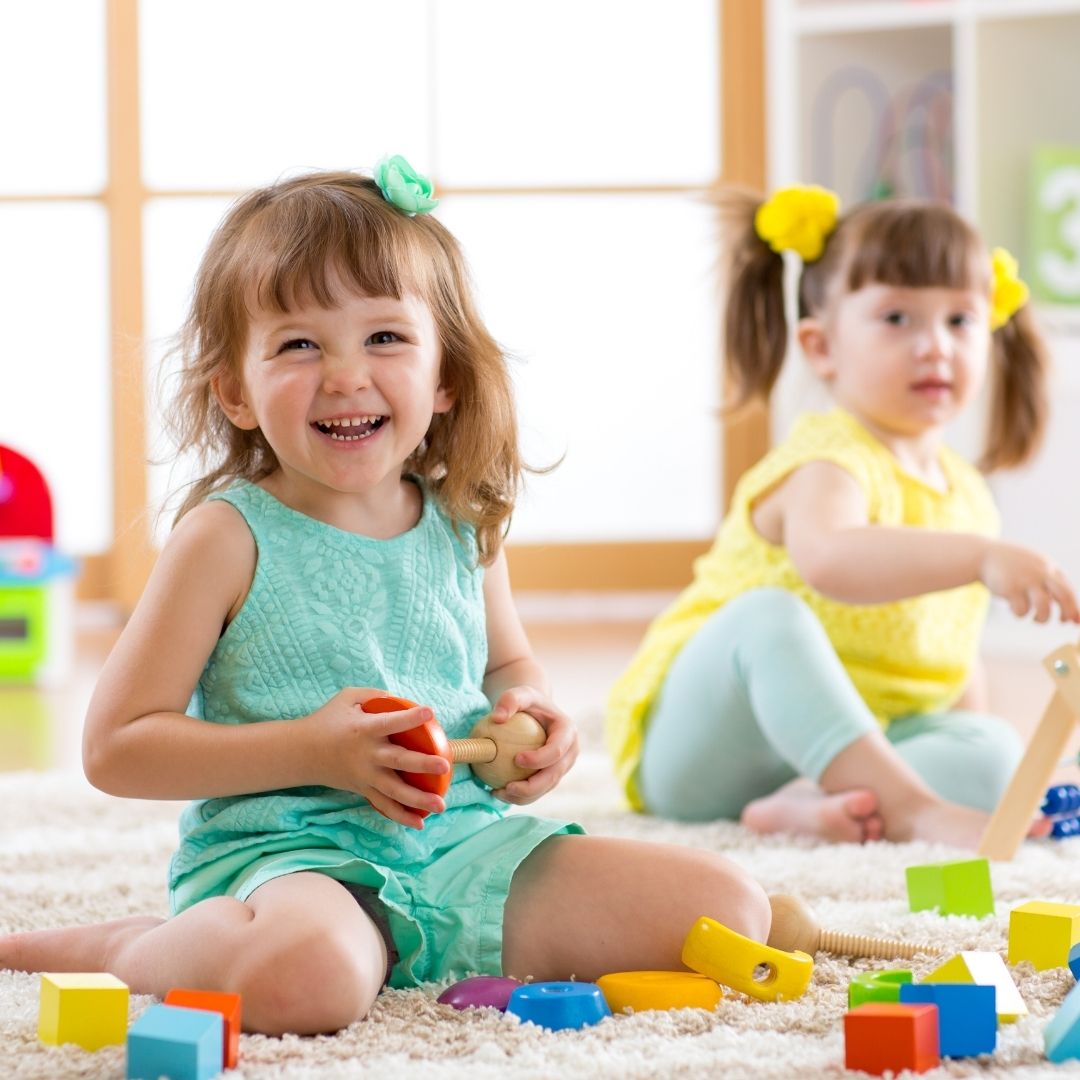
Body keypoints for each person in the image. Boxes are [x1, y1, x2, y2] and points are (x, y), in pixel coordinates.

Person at [0, 159, 769, 1036]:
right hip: (293, 860)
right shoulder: (224, 537)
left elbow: (506, 662)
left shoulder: (462, 519)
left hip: (460, 847)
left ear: (444, 377)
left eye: (385, 338)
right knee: (308, 983)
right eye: (298, 345)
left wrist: (533, 721)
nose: (345, 375)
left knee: (725, 912)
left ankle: (415, 943)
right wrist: (314, 751)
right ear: (233, 392)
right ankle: (136, 947)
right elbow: (116, 748)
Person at [606, 185, 1079, 849]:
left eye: (959, 322)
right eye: (897, 319)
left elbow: (953, 656)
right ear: (822, 346)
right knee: (768, 616)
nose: (935, 347)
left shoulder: (967, 493)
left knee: (994, 750)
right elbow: (830, 560)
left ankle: (811, 807)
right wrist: (978, 558)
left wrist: (967, 741)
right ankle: (905, 807)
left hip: (853, 751)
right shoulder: (829, 458)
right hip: (708, 750)